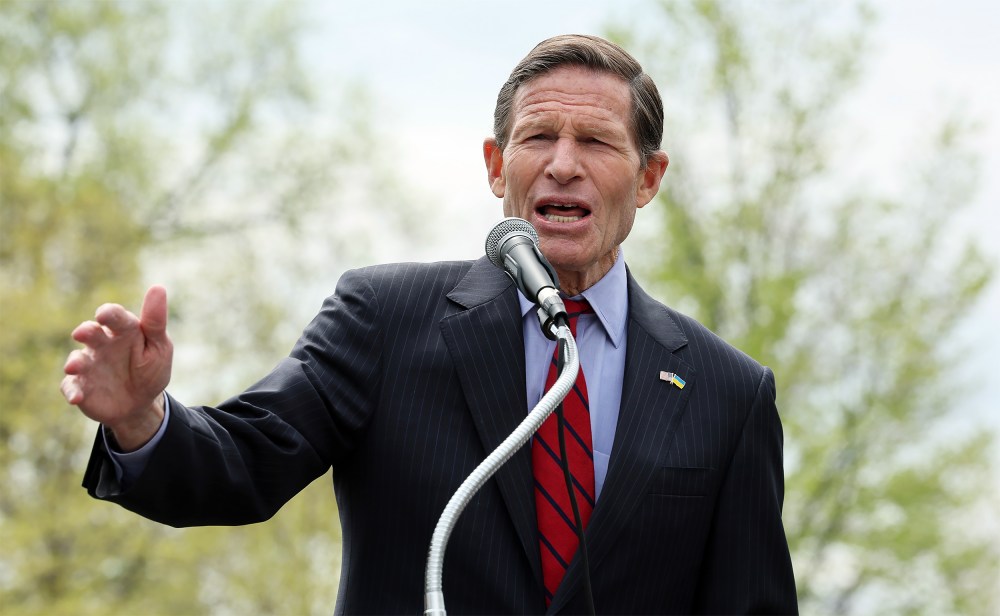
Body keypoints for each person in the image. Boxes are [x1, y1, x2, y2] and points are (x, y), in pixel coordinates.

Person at [62, 34, 797, 614]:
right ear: (496, 165)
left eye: (597, 142)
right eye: (538, 137)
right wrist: (141, 418)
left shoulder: (727, 392)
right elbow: (243, 463)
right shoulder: (384, 319)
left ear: (648, 179)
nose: (563, 165)